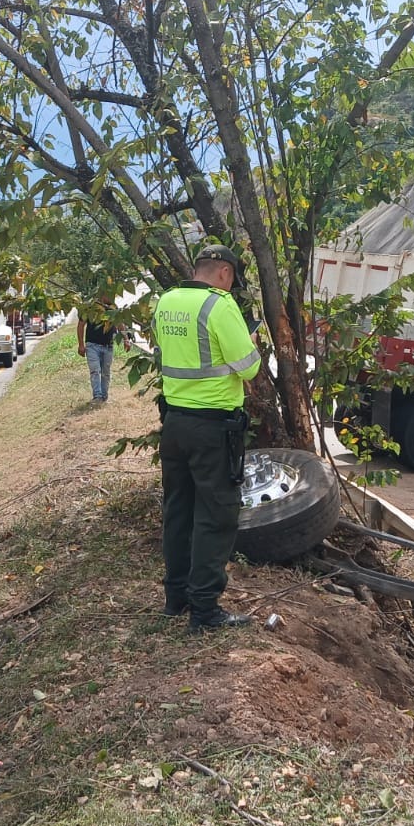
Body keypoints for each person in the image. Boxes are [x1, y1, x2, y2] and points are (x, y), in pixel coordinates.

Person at [153, 245, 262, 632]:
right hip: (213, 428)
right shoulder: (221, 306)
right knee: (216, 516)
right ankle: (204, 610)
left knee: (178, 511)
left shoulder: (166, 301)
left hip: (175, 424)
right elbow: (249, 369)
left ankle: (176, 597)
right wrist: (251, 341)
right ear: (224, 273)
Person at [77, 315, 116, 402]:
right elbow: (81, 325)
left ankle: (104, 396)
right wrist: (81, 345)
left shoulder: (112, 308)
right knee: (95, 370)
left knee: (106, 372)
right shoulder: (90, 307)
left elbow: (120, 323)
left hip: (108, 346)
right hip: (92, 345)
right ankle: (97, 396)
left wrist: (126, 339)